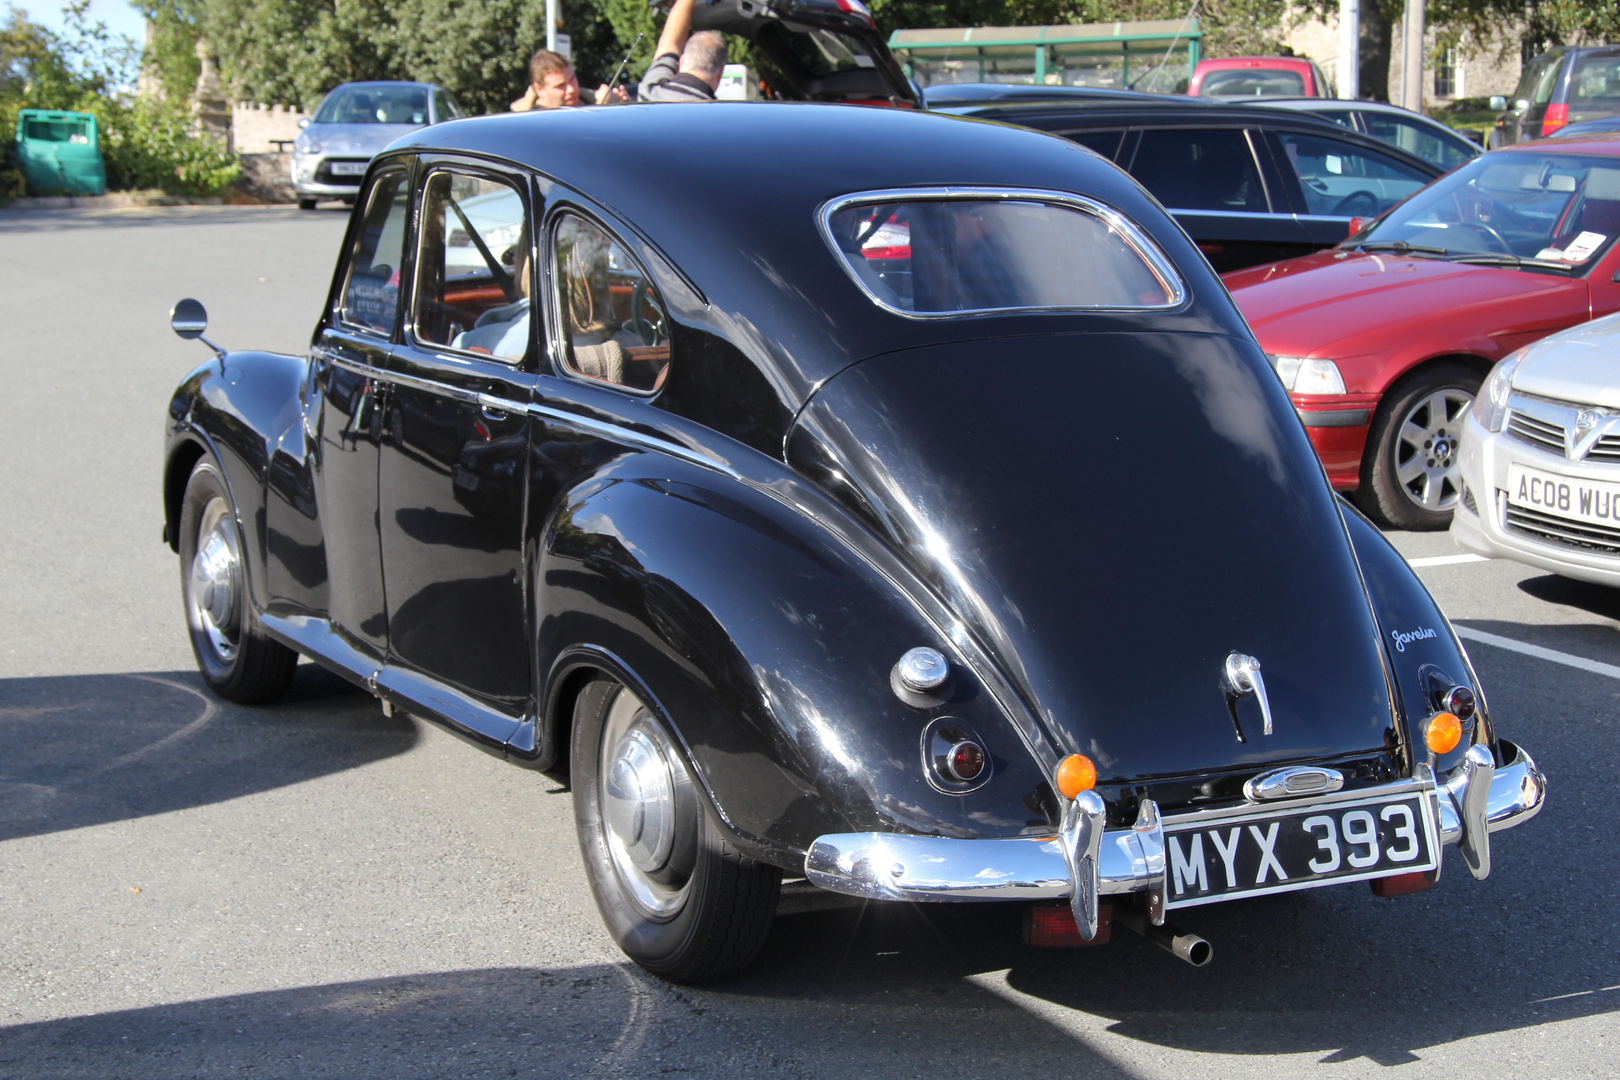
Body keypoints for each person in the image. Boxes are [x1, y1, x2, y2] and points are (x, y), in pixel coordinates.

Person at [638, 0, 726, 102]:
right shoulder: (716, 114)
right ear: (720, 73)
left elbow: (670, 43)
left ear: (682, 61)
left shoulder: (651, 92)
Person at [511, 49, 630, 111]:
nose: (571, 89)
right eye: (560, 85)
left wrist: (624, 110)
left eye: (572, 79)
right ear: (539, 89)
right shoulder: (533, 123)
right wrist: (602, 112)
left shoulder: (588, 100)